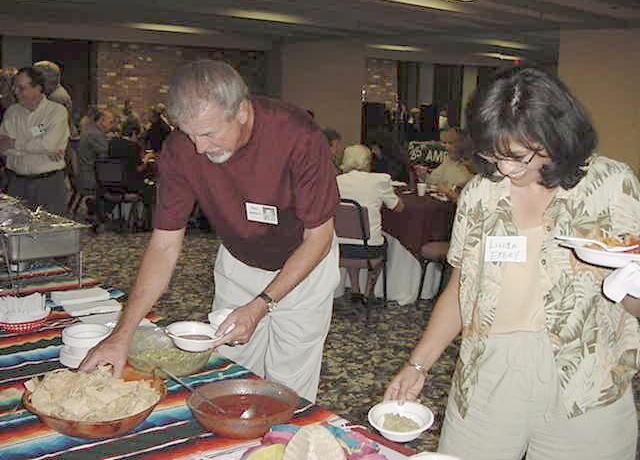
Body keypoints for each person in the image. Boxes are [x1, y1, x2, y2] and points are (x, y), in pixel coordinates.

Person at [384, 65, 640, 460]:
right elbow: (461, 289)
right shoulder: (480, 194)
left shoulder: (612, 186)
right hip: (490, 371)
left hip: (585, 377)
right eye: (493, 155)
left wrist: (614, 277)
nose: (504, 170)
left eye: (518, 157)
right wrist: (417, 365)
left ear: (556, 137)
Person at [81, 60, 340, 402]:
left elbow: (319, 236)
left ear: (243, 112)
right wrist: (122, 334)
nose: (199, 148)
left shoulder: (297, 135)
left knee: (288, 382)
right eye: (189, 134)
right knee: (232, 371)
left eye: (208, 133)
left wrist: (262, 303)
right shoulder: (180, 150)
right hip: (240, 260)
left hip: (304, 265)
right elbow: (163, 247)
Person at [336, 144, 404, 301]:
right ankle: (368, 292)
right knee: (378, 242)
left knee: (353, 235)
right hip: (369, 251)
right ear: (367, 162)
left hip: (340, 249)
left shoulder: (337, 181)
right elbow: (398, 207)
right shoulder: (380, 180)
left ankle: (354, 289)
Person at [0, 67, 69, 214]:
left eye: (21, 88)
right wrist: (41, 150)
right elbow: (3, 147)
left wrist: (15, 143)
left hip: (48, 184)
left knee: (50, 233)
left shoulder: (56, 111)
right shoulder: (12, 112)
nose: (15, 91)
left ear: (37, 88)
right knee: (16, 231)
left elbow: (49, 144)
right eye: (14, 86)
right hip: (16, 183)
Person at [425, 127, 473, 197]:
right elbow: (434, 180)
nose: (446, 148)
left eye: (451, 143)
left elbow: (466, 199)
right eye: (445, 143)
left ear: (462, 144)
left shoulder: (472, 167)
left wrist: (448, 192)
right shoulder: (449, 160)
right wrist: (424, 175)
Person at [76, 108, 114, 195]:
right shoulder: (95, 134)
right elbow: (108, 154)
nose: (112, 126)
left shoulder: (91, 130)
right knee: (121, 182)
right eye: (110, 122)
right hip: (91, 178)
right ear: (101, 121)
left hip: (86, 174)